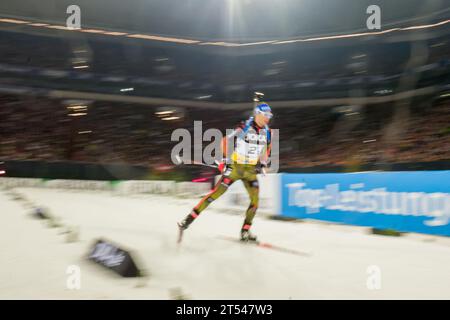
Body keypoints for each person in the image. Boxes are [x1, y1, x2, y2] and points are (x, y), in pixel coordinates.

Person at [177, 93, 273, 242]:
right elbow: (224, 141)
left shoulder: (267, 132)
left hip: (250, 171)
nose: (268, 117)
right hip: (235, 167)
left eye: (269, 115)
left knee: (255, 202)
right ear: (258, 114)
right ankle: (187, 220)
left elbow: (266, 149)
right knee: (215, 194)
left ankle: (245, 232)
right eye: (266, 114)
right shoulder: (245, 126)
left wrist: (264, 164)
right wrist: (223, 161)